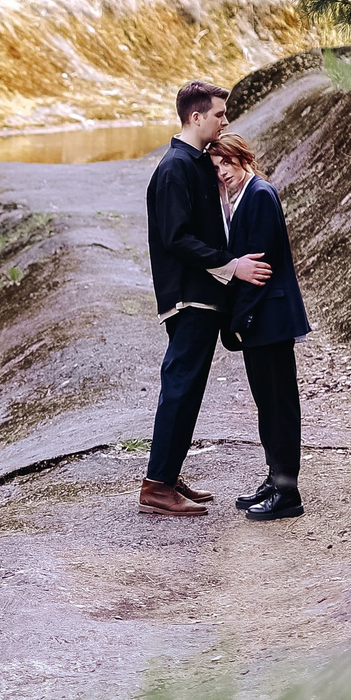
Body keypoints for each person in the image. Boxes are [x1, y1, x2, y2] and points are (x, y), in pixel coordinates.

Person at [140, 80, 269, 517]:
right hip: (188, 297)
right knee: (180, 385)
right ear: (196, 117)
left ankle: (168, 475)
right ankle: (156, 485)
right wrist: (234, 267)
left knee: (188, 387)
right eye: (219, 114)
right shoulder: (176, 167)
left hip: (202, 296)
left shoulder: (194, 163)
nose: (225, 121)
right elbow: (176, 239)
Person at [211, 133, 309, 520]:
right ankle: (274, 480)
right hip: (259, 325)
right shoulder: (239, 199)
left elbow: (259, 271)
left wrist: (237, 323)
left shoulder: (261, 195)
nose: (223, 173)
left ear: (243, 159)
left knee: (280, 407)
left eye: (227, 164)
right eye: (217, 169)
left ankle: (288, 494)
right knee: (267, 407)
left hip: (269, 320)